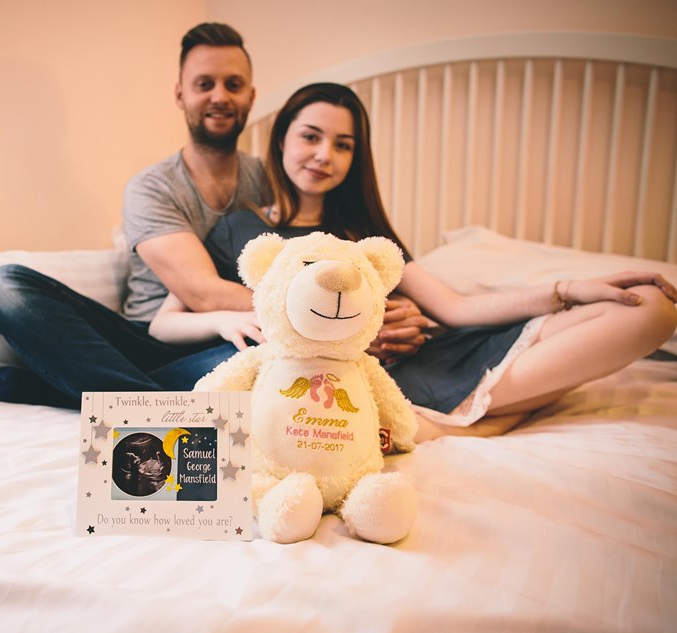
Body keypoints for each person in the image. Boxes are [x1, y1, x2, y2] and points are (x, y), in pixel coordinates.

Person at [148, 82, 677, 440]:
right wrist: (229, 317)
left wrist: (567, 290)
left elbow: (455, 308)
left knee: (651, 307)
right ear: (282, 136)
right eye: (311, 136)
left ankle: (459, 424)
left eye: (343, 144)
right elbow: (162, 323)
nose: (323, 156)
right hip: (365, 383)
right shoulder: (239, 229)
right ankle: (466, 423)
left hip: (432, 356)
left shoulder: (364, 232)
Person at [0, 23, 272, 408]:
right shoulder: (152, 187)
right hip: (142, 341)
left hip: (228, 344)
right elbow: (201, 293)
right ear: (180, 94)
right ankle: (153, 409)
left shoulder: (269, 181)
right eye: (204, 84)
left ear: (251, 96)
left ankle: (68, 390)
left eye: (233, 85)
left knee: (269, 361)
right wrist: (303, 314)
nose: (219, 96)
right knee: (4, 287)